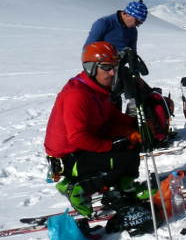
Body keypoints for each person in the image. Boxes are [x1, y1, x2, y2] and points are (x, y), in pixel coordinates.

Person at [44, 42, 143, 216]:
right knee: (116, 156)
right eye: (106, 68)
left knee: (131, 143)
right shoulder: (77, 95)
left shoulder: (97, 89)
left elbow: (110, 117)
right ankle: (75, 187)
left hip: (83, 146)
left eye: (114, 67)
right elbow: (77, 137)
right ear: (91, 67)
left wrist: (134, 126)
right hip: (68, 156)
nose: (112, 73)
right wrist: (111, 146)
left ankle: (124, 185)